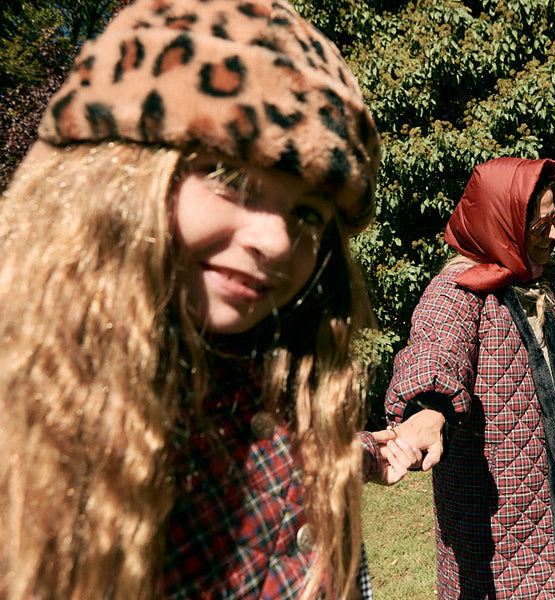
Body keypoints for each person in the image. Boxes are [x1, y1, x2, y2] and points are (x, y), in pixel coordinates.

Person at [0, 1, 421, 599]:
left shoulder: (273, 364)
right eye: (229, 180)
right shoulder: (24, 426)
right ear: (116, 180)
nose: (276, 241)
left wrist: (358, 453)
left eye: (307, 213)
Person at [385, 157, 555, 600]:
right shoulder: (459, 290)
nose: (554, 234)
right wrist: (427, 410)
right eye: (541, 224)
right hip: (500, 500)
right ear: (504, 221)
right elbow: (436, 349)